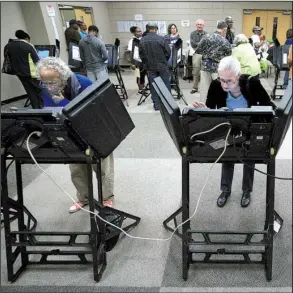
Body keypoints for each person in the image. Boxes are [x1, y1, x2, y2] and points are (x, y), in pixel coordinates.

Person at [192, 56, 275, 208]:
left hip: (250, 129)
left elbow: (269, 107)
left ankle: (246, 191)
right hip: (228, 128)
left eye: (229, 80)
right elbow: (211, 110)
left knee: (249, 158)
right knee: (227, 157)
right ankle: (225, 190)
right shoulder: (216, 85)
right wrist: (204, 109)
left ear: (238, 76)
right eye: (222, 79)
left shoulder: (252, 83)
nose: (224, 84)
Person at [36, 57, 115, 212]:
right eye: (44, 82)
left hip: (96, 130)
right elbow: (50, 113)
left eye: (52, 82)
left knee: (102, 168)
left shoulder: (83, 83)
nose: (48, 86)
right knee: (77, 169)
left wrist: (62, 102)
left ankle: (107, 198)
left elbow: (90, 113)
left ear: (63, 76)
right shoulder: (47, 88)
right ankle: (84, 198)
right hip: (70, 133)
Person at [4, 30, 43, 108]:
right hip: (32, 73)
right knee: (39, 90)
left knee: (30, 91)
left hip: (19, 72)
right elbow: (37, 61)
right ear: (26, 38)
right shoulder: (28, 46)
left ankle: (36, 108)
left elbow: (8, 59)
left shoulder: (8, 46)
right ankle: (42, 107)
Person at [195, 21, 232, 103]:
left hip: (205, 67)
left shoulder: (206, 36)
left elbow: (198, 50)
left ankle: (203, 108)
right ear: (224, 30)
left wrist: (207, 54)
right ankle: (218, 108)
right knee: (219, 89)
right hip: (218, 69)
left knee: (204, 90)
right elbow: (229, 55)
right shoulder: (225, 41)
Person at [139, 22, 171, 111]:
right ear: (155, 29)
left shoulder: (142, 40)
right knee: (165, 84)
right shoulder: (161, 39)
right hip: (162, 66)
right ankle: (167, 105)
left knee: (154, 85)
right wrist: (164, 61)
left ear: (147, 29)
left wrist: (147, 63)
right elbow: (168, 52)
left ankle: (156, 105)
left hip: (150, 67)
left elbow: (141, 55)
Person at [189, 19, 207, 94]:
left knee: (204, 72)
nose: (199, 26)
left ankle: (204, 88)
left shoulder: (207, 34)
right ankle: (195, 88)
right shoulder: (192, 34)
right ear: (196, 25)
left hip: (205, 55)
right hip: (196, 54)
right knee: (196, 71)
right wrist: (201, 44)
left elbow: (207, 44)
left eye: (201, 24)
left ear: (203, 25)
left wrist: (198, 44)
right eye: (198, 24)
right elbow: (193, 44)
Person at [127, 26, 145, 92]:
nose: (140, 32)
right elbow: (130, 53)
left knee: (142, 75)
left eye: (140, 31)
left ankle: (143, 87)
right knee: (138, 76)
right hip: (136, 61)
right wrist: (132, 63)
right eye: (138, 31)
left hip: (143, 61)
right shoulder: (131, 41)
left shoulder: (142, 39)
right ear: (134, 33)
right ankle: (140, 89)